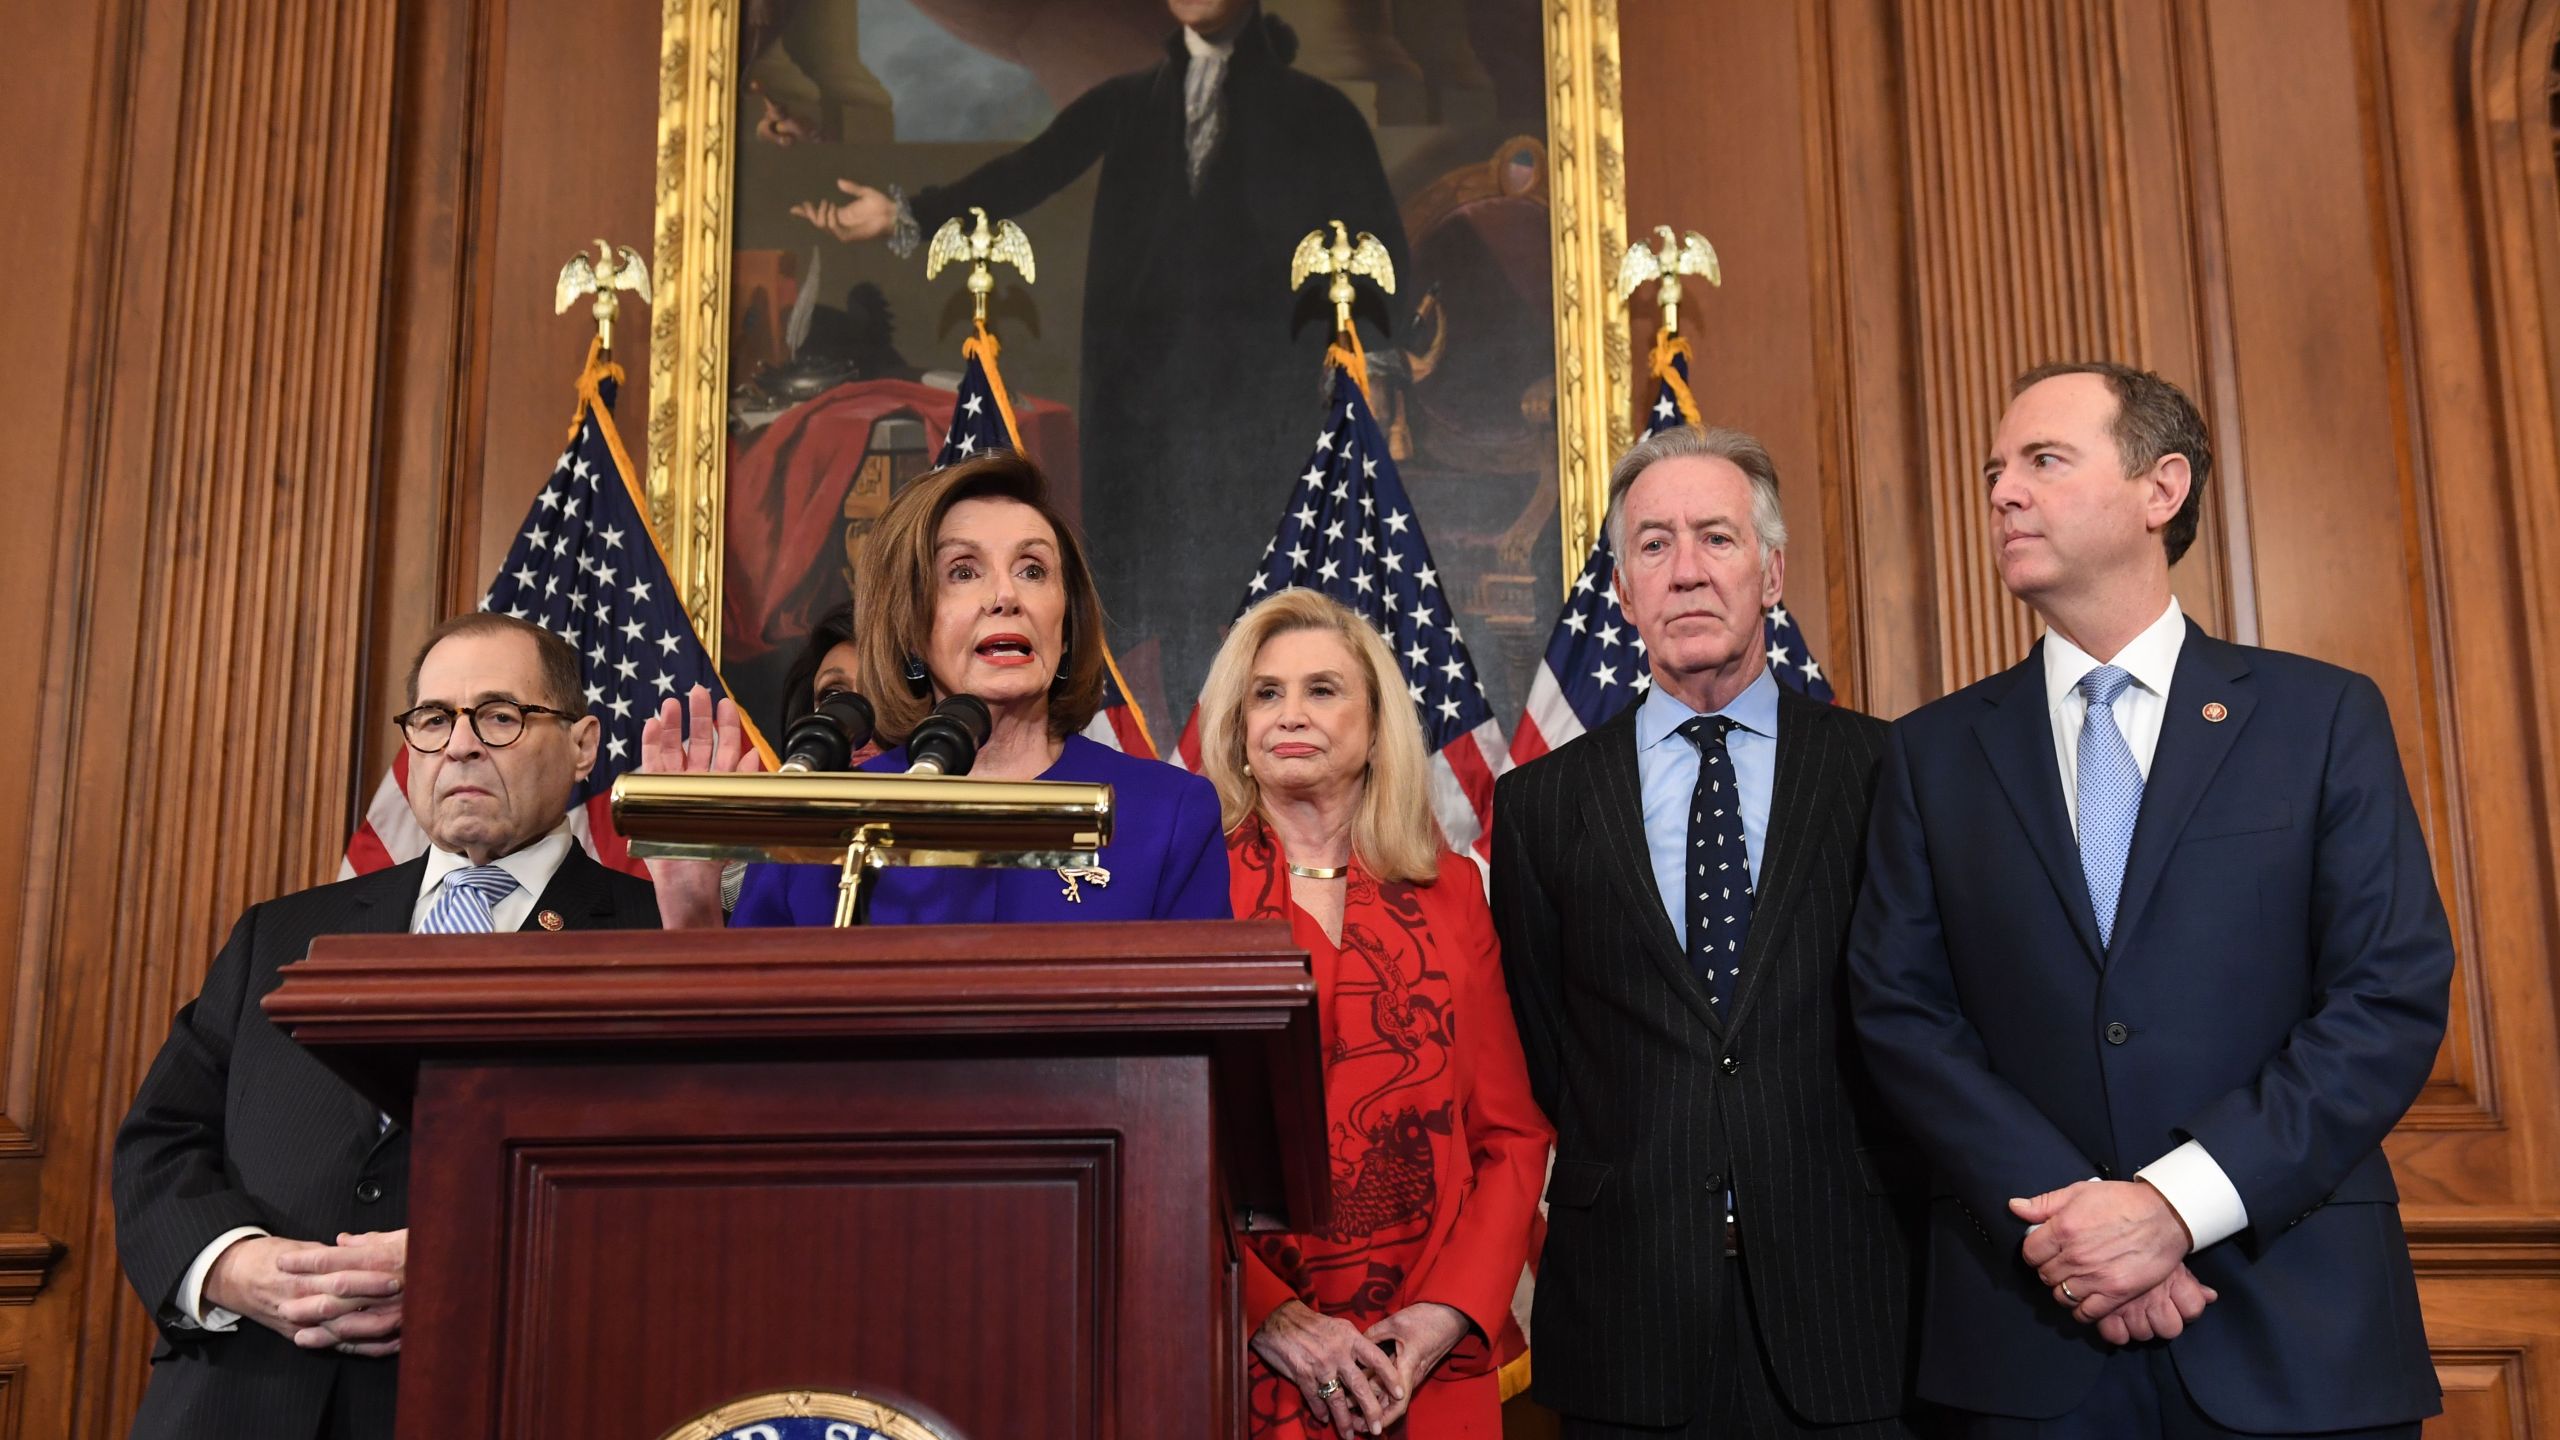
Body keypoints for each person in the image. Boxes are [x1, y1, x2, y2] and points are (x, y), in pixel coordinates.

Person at [1846, 362, 2453, 1437]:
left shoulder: (2319, 719)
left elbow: (2387, 993)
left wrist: (2176, 1206)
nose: (2000, 493)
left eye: (2041, 461)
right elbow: (1900, 1012)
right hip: (2029, 1338)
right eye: (1993, 471)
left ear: (2159, 490)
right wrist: (2081, 1232)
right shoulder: (1930, 754)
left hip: (2296, 1330)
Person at [111, 614, 662, 1440]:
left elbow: (661, 1190)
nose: (461, 746)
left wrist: (475, 1260)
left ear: (582, 744)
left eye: (501, 715)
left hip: (502, 1392)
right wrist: (231, 1266)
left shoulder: (651, 937)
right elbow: (159, 1138)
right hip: (241, 1398)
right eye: (436, 719)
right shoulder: (283, 932)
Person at [790, 0, 1407, 717]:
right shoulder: (1129, 102)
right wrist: (905, 214)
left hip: (1263, 417)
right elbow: (1027, 172)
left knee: (1262, 609)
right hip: (1147, 415)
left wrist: (1371, 370)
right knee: (1163, 621)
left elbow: (1378, 254)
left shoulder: (1317, 112)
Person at [1492, 426, 1925, 1437]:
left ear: (1770, 572)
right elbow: (1550, 1052)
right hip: (1628, 1321)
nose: (1684, 570)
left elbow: (1922, 1019)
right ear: (1624, 591)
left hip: (1850, 1307)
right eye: (1652, 545)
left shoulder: (1885, 772)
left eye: (1716, 538)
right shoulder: (1540, 806)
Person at [1195, 587, 1549, 1438]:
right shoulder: (1194, 886)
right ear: (1238, 728)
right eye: (1266, 692)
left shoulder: (1451, 889)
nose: (1291, 714)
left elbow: (1511, 1136)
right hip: (1234, 1352)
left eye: (1322, 689)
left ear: (1376, 722)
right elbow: (1165, 1141)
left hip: (1422, 1368)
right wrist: (1273, 1318)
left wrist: (1438, 1320)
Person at [650, 452, 1229, 927]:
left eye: (1032, 569)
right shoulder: (821, 827)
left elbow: (1204, 1053)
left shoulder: (1166, 814)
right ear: (910, 626)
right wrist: (691, 908)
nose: (1006, 596)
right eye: (963, 571)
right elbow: (747, 1050)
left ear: (1067, 620)